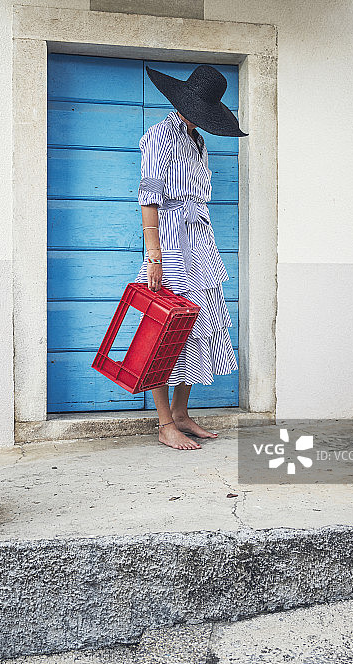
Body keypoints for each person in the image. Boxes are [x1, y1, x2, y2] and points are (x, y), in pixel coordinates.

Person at [133, 64, 248, 451]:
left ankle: (182, 414)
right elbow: (148, 197)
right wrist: (154, 255)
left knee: (196, 327)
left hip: (199, 243)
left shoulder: (197, 141)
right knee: (165, 331)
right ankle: (165, 423)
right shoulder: (159, 136)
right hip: (169, 244)